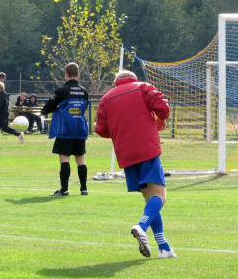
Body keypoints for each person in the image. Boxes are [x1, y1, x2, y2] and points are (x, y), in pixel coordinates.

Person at [95, 70, 176, 259]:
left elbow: (100, 129)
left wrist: (121, 133)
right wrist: (160, 119)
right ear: (132, 77)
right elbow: (163, 107)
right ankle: (141, 226)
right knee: (160, 197)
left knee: (150, 199)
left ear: (116, 81)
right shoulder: (142, 87)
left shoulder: (105, 99)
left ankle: (163, 247)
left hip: (125, 153)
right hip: (146, 148)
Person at [40, 62, 89, 196]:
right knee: (81, 159)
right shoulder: (84, 92)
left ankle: (64, 189)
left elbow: (50, 105)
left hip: (65, 129)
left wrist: (41, 112)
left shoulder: (61, 91)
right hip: (80, 128)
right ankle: (84, 189)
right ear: (78, 74)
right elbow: (84, 108)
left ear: (66, 74)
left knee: (64, 159)